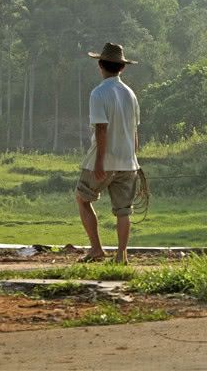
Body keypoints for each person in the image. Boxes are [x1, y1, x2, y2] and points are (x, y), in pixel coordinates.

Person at [75, 43, 141, 265]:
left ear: (100, 65)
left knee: (82, 198)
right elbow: (134, 131)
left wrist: (100, 162)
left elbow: (101, 129)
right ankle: (121, 255)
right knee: (123, 210)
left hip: (104, 159)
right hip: (128, 161)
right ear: (122, 68)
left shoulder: (99, 93)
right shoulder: (130, 94)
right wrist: (134, 158)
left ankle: (96, 249)